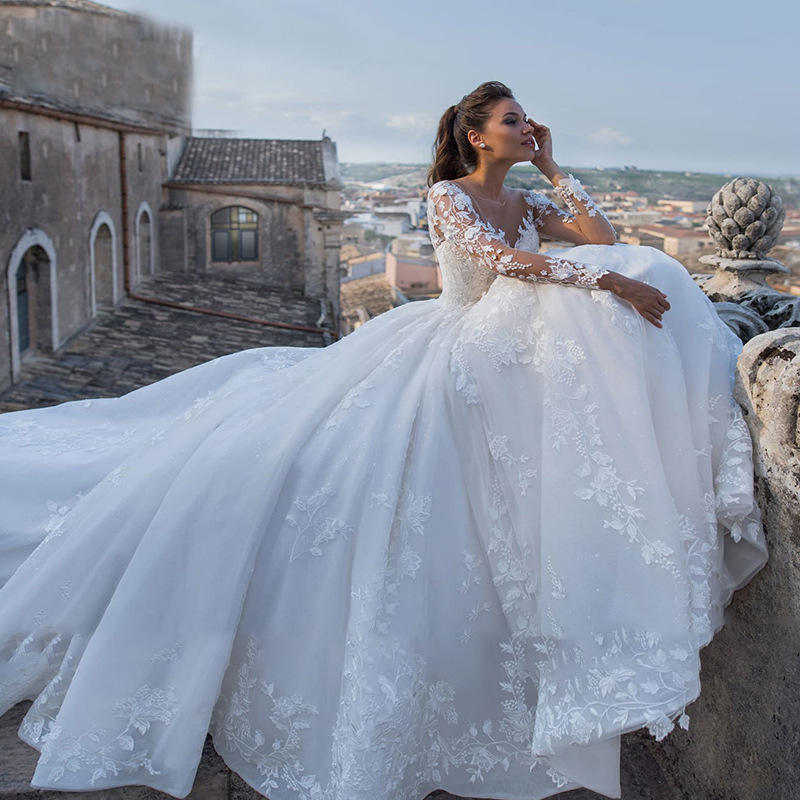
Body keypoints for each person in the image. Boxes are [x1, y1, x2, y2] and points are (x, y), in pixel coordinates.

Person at [0, 80, 768, 800]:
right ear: (474, 134)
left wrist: (554, 165)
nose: (523, 126)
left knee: (626, 269)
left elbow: (599, 237)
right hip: (455, 347)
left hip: (503, 353)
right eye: (511, 120)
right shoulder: (448, 195)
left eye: (525, 120)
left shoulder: (528, 197)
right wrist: (605, 283)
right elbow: (501, 265)